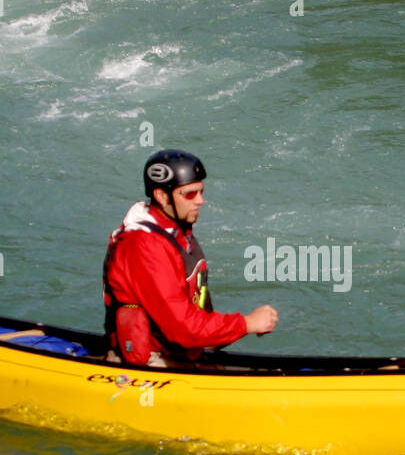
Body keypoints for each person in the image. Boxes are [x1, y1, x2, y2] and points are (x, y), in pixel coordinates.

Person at [103, 149, 278, 367]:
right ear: (161, 196)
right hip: (150, 363)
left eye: (201, 192)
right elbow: (182, 328)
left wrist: (227, 332)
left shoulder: (176, 231)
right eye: (189, 194)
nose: (200, 200)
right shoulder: (144, 245)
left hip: (181, 352)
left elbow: (193, 315)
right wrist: (246, 324)